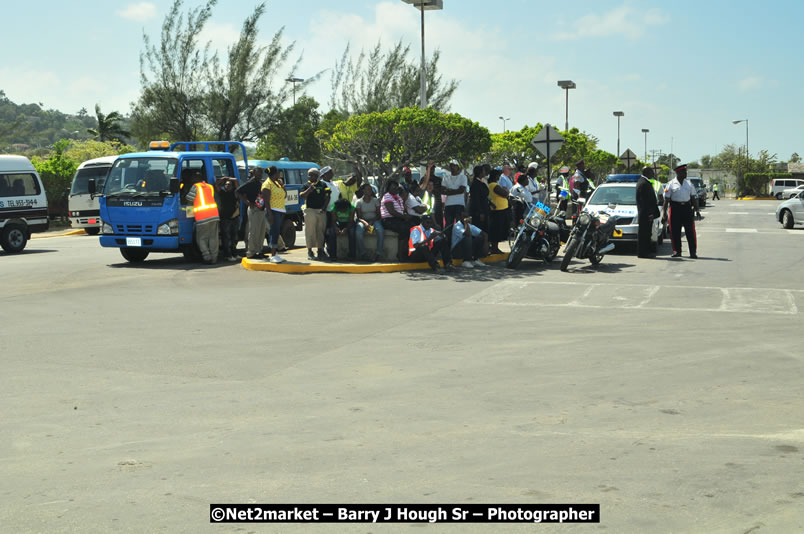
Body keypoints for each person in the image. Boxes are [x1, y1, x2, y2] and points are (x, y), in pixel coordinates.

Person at [662, 164, 701, 258]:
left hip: (687, 208)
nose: (686, 173)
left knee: (690, 231)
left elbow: (693, 198)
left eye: (686, 171)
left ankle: (693, 252)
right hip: (675, 208)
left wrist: (697, 210)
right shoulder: (670, 184)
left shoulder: (689, 183)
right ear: (678, 173)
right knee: (675, 231)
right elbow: (666, 200)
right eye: (684, 172)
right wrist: (664, 214)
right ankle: (677, 251)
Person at [185, 176, 220, 264]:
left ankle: (207, 257)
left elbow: (189, 199)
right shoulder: (210, 186)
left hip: (202, 217)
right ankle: (214, 258)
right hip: (214, 215)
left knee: (201, 238)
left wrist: (189, 210)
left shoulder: (195, 186)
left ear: (196, 180)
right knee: (213, 237)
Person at [300, 167, 330, 261]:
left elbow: (328, 196)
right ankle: (309, 251)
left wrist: (324, 208)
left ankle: (320, 250)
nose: (310, 176)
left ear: (317, 176)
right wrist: (309, 189)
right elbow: (302, 197)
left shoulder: (323, 184)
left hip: (320, 211)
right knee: (310, 231)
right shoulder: (305, 185)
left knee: (320, 231)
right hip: (310, 211)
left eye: (312, 175)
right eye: (309, 175)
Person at [380, 180, 416, 261]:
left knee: (414, 227)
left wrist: (406, 216)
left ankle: (409, 252)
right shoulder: (387, 196)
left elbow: (401, 210)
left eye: (396, 187)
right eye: (393, 187)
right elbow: (392, 211)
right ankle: (400, 254)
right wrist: (404, 217)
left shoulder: (398, 197)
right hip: (388, 220)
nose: (395, 188)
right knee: (404, 229)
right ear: (388, 188)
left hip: (398, 219)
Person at [236, 167, 266, 259]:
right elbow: (238, 192)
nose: (260, 175)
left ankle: (259, 250)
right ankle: (251, 252)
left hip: (261, 209)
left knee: (261, 232)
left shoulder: (260, 183)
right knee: (254, 232)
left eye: (261, 173)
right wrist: (247, 202)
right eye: (258, 173)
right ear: (254, 173)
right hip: (254, 209)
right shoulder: (250, 183)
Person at [261, 165, 287, 263]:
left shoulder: (277, 183)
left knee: (277, 232)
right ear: (275, 174)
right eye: (278, 173)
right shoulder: (267, 184)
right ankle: (273, 255)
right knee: (274, 232)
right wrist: (270, 214)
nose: (279, 175)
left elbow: (284, 195)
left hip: (280, 210)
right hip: (273, 211)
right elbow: (266, 201)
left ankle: (275, 254)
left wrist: (282, 186)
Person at [355, 183, 384, 261]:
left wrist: (371, 222)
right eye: (368, 189)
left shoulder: (375, 201)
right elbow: (359, 217)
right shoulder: (359, 202)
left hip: (374, 220)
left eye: (370, 189)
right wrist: (365, 223)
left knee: (380, 230)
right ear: (363, 191)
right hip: (363, 221)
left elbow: (379, 215)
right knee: (358, 231)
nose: (370, 191)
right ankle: (363, 253)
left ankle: (378, 252)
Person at [636, 166, 661, 258]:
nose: (653, 173)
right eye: (651, 171)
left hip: (646, 213)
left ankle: (646, 252)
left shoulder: (645, 182)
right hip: (645, 214)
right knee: (644, 234)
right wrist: (650, 213)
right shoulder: (643, 184)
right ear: (646, 172)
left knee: (647, 233)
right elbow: (644, 201)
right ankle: (643, 253)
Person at [215, 175, 239, 261]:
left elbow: (235, 180)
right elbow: (216, 185)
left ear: (232, 186)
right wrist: (222, 180)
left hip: (234, 217)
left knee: (234, 237)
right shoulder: (222, 193)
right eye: (226, 185)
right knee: (226, 237)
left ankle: (234, 253)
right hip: (225, 218)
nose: (227, 186)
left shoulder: (235, 192)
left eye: (229, 185)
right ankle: (227, 255)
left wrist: (226, 178)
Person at [319, 166, 339, 259]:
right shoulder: (322, 184)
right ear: (325, 174)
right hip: (326, 211)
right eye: (330, 172)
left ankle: (332, 252)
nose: (332, 173)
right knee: (324, 232)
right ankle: (321, 251)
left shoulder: (333, 183)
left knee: (332, 232)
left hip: (334, 211)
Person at [487, 168, 509, 254]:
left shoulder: (494, 184)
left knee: (499, 229)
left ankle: (495, 247)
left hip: (501, 209)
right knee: (496, 229)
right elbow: (505, 193)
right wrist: (506, 190)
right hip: (498, 210)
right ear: (496, 176)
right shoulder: (494, 185)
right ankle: (494, 248)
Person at [442, 159, 468, 229]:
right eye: (451, 166)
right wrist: (456, 190)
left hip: (459, 204)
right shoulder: (446, 177)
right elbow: (443, 191)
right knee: (448, 225)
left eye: (454, 166)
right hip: (448, 204)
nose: (452, 167)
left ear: (457, 167)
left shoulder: (463, 177)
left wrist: (449, 191)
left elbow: (461, 190)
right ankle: (448, 239)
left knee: (459, 225)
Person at [469, 165, 490, 232]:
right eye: (483, 171)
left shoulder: (481, 182)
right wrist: (480, 212)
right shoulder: (475, 184)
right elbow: (476, 199)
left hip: (485, 208)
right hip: (479, 211)